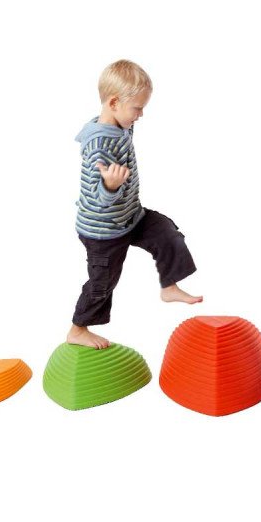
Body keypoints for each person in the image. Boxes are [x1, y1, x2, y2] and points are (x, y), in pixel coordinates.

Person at [68, 60, 202, 349]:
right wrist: (109, 185)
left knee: (166, 232)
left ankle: (169, 286)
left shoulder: (120, 124)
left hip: (130, 215)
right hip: (103, 230)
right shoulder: (99, 145)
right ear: (113, 103)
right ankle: (78, 329)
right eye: (137, 108)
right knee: (102, 283)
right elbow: (96, 197)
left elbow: (123, 126)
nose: (141, 115)